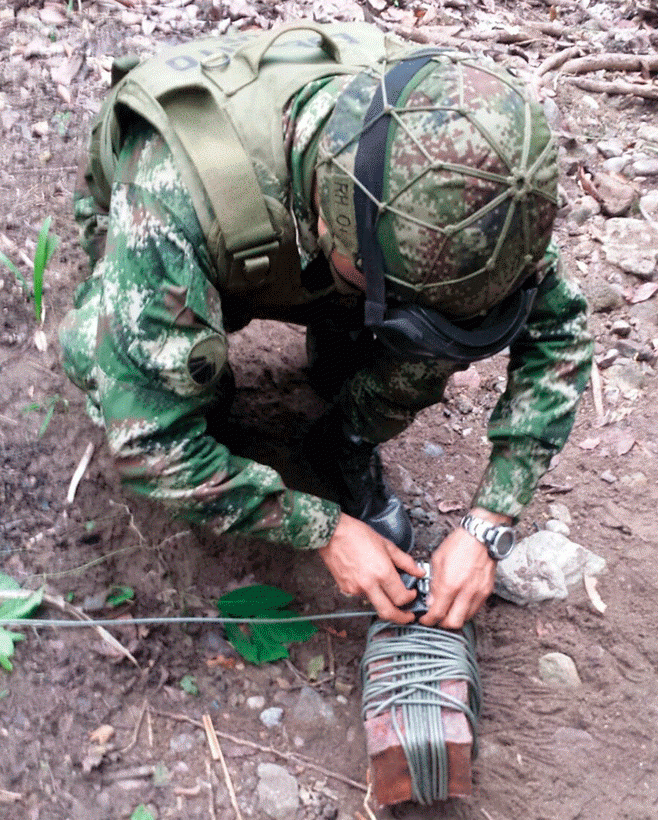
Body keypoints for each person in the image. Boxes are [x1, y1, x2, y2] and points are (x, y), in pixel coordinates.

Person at [60, 22, 592, 630]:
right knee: (172, 384)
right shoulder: (173, 197)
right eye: (388, 293)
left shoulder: (461, 191)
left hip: (320, 254)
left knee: (435, 335)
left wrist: (488, 523)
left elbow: (559, 335)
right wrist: (321, 529)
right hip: (205, 225)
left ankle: (343, 439)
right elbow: (149, 444)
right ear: (333, 223)